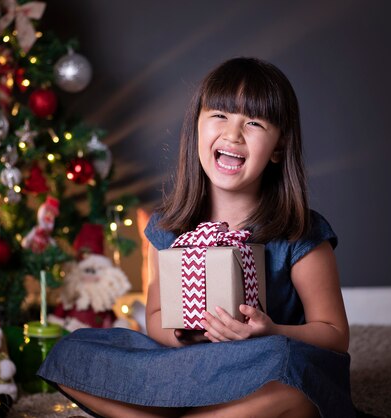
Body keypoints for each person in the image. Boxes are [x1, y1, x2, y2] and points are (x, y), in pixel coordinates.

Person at [38, 57, 355, 418]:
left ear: (279, 147)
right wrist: (187, 336)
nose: (233, 134)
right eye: (219, 115)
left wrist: (269, 331)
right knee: (72, 351)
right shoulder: (169, 226)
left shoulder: (299, 231)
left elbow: (333, 333)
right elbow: (156, 317)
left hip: (260, 370)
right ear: (197, 127)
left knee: (292, 370)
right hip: (189, 368)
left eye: (253, 123)